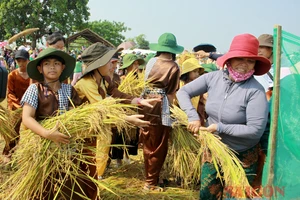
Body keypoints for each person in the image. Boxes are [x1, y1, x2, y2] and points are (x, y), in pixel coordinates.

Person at [176, 33, 271, 199]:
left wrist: (219, 127)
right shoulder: (213, 78)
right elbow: (183, 92)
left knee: (235, 196)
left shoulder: (255, 91)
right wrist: (192, 116)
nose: (245, 64)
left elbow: (255, 130)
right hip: (214, 149)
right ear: (230, 59)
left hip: (242, 155)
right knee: (207, 193)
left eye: (250, 61)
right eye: (240, 58)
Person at [74, 43, 160, 182]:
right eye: (108, 62)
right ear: (98, 64)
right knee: (88, 164)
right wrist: (128, 119)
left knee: (101, 155)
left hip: (99, 127)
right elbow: (102, 109)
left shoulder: (102, 80)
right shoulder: (87, 83)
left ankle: (98, 178)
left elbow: (116, 94)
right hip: (85, 132)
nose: (112, 65)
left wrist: (138, 101)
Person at [20, 48, 85, 199]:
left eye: (56, 63)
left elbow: (75, 115)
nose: (52, 67)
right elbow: (27, 117)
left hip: (66, 144)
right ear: (40, 68)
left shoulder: (69, 90)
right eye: (47, 64)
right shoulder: (34, 89)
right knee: (43, 187)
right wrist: (47, 133)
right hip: (42, 146)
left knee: (67, 184)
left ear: (63, 68)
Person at [140, 32, 183, 191]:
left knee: (148, 141)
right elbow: (171, 94)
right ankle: (150, 183)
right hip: (161, 106)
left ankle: (153, 178)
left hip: (145, 103)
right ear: (173, 49)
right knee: (159, 145)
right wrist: (173, 112)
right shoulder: (174, 67)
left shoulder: (151, 61)